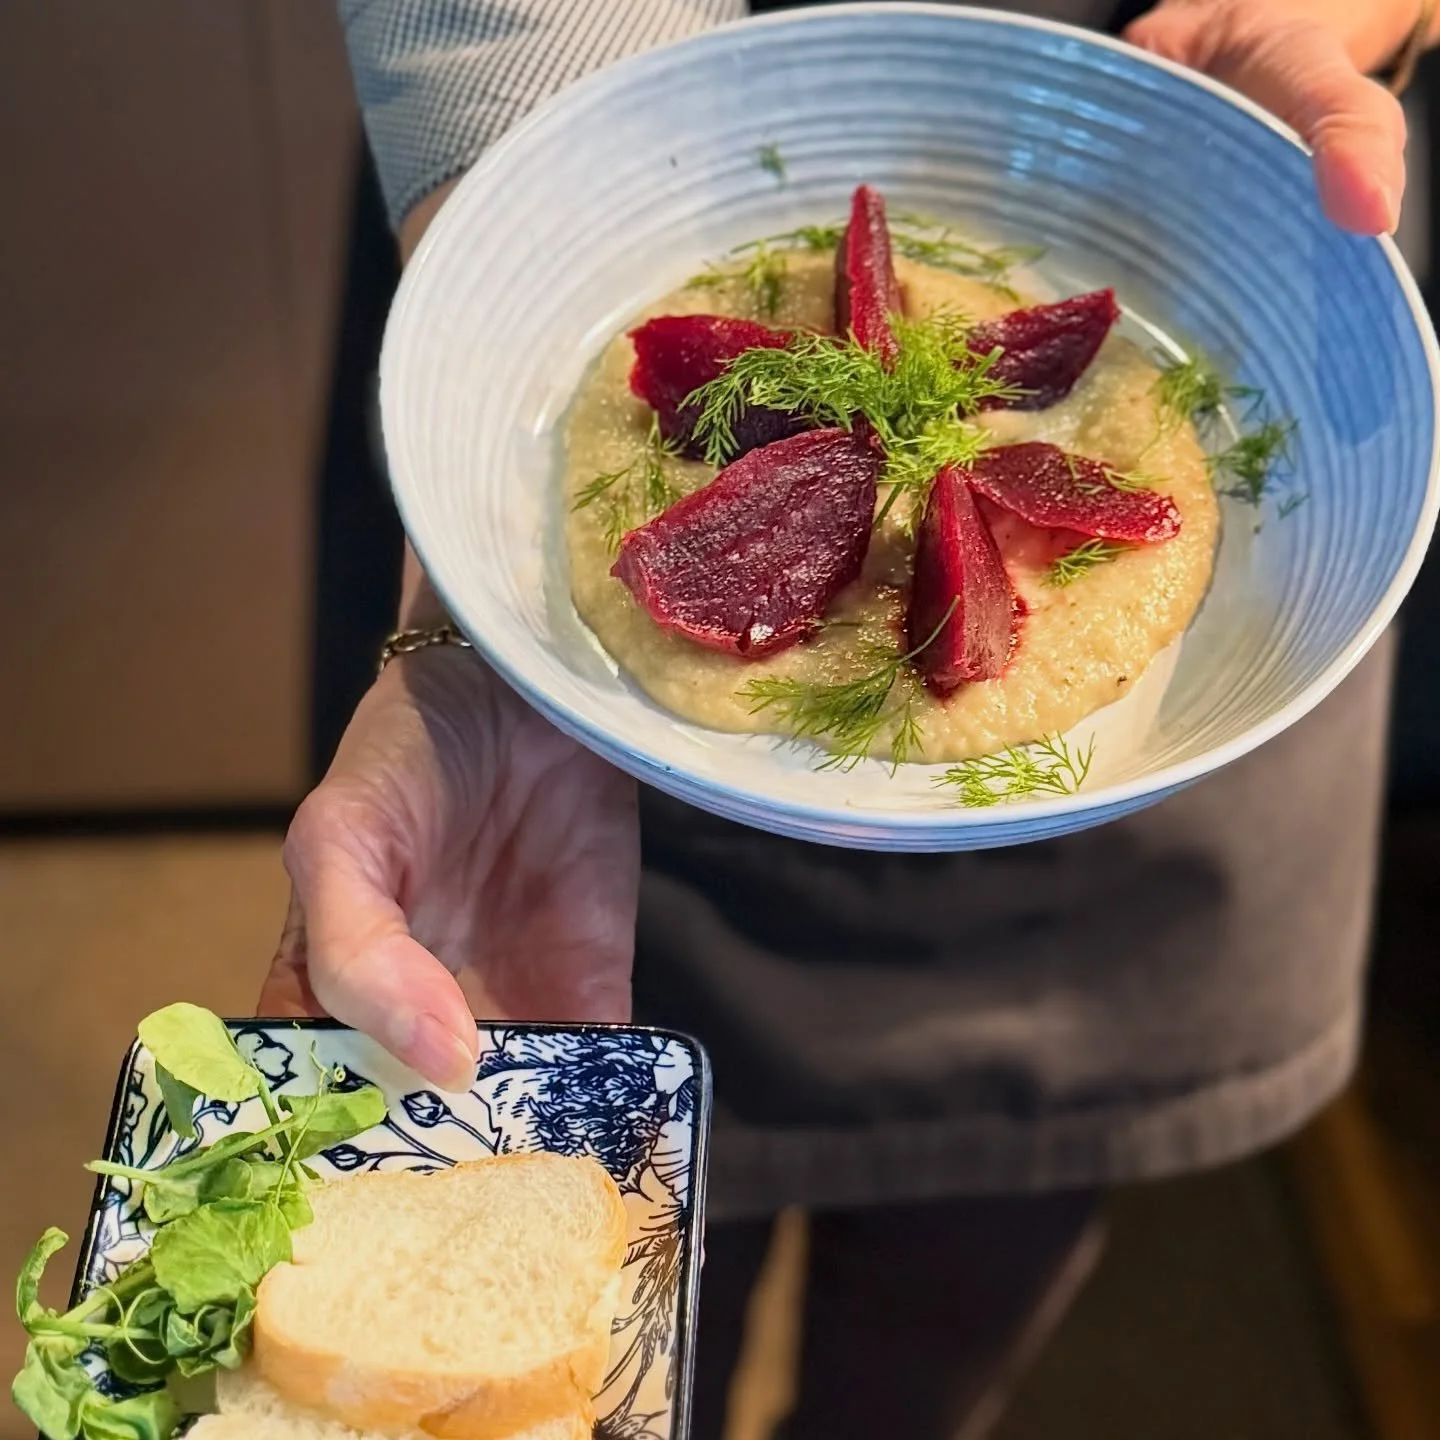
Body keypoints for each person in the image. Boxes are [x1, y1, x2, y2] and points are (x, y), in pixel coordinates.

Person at [261, 2, 1433, 1435]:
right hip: (602, 129)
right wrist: (544, 206)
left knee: (950, 1325)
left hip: (1198, 227)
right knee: (587, 1298)